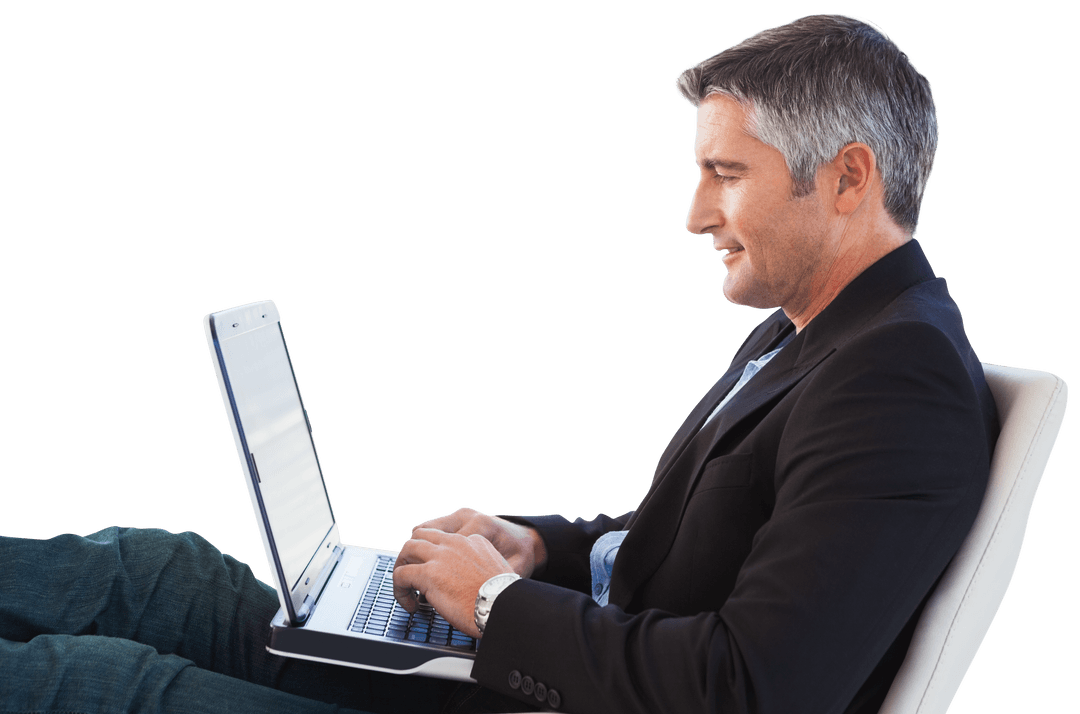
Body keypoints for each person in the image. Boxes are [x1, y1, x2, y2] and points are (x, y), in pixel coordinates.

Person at [0, 13, 997, 714]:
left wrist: (491, 604)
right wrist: (534, 549)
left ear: (850, 176)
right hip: (555, 668)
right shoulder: (821, 327)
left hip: (564, 692)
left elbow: (751, 687)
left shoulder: (895, 379)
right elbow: (704, 543)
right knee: (160, 573)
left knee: (97, 684)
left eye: (725, 175)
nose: (694, 214)